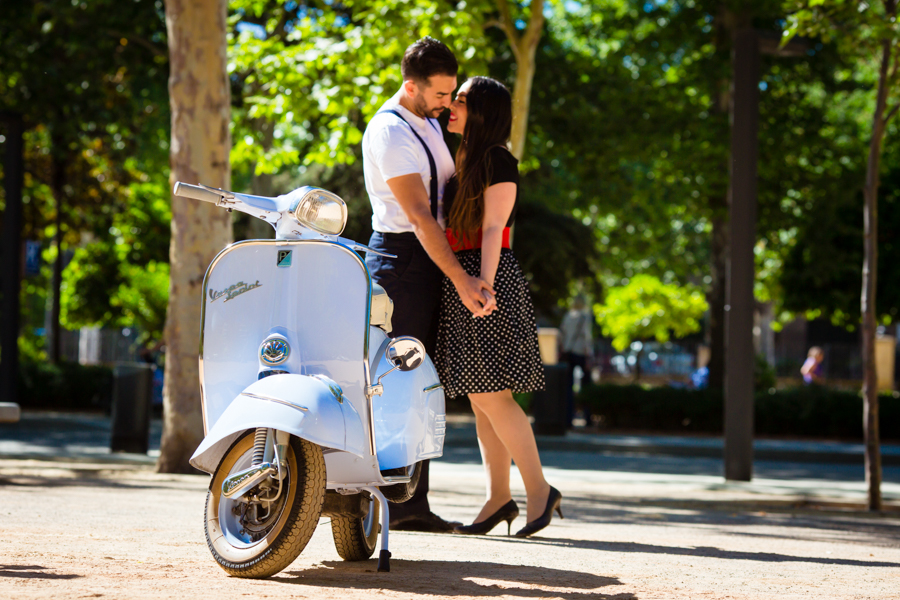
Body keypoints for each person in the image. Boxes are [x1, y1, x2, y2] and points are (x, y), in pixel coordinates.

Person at [362, 38, 496, 533]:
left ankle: (413, 505)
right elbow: (420, 216)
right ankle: (390, 504)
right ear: (410, 85)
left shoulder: (429, 122)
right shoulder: (390, 131)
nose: (447, 103)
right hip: (402, 261)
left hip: (430, 257)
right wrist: (461, 278)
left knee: (422, 383)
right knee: (398, 380)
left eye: (450, 92)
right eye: (439, 94)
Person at [436, 76, 561, 538]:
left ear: (483, 111)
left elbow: (493, 228)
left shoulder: (497, 159)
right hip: (465, 275)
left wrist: (483, 286)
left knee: (494, 395)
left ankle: (539, 491)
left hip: (486, 277)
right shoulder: (465, 158)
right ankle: (498, 498)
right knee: (480, 396)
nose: (451, 106)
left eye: (461, 101)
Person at [559, 295, 594, 425]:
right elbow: (587, 336)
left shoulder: (568, 316)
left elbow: (561, 334)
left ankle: (568, 419)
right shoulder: (585, 316)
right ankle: (587, 418)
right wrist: (589, 355)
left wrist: (563, 349)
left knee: (568, 387)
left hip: (568, 353)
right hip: (581, 353)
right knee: (586, 386)